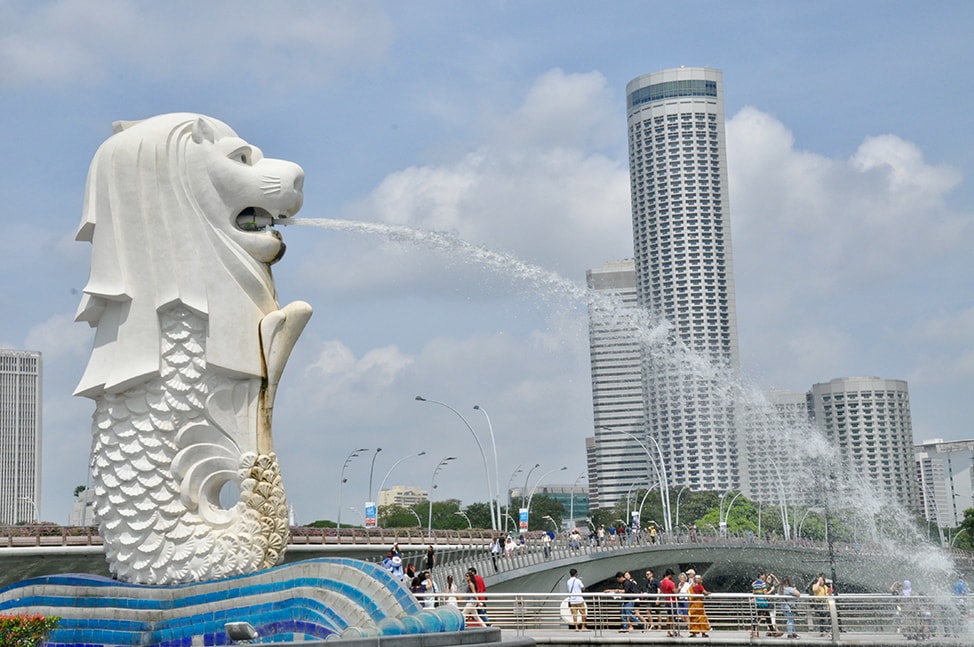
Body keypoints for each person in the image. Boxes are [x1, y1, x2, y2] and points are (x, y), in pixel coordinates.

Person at [751, 571, 782, 638]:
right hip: (763, 603)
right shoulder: (763, 584)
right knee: (766, 617)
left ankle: (754, 632)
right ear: (761, 576)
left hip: (758, 602)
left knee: (759, 617)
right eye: (764, 575)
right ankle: (773, 632)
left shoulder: (754, 584)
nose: (765, 577)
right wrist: (771, 590)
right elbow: (765, 594)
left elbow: (754, 593)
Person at [687, 573, 711, 637]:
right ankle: (703, 633)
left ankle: (694, 633)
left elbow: (690, 595)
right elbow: (704, 592)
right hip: (699, 603)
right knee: (702, 618)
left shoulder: (691, 586)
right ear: (698, 580)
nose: (702, 581)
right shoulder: (700, 586)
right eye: (700, 579)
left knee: (693, 618)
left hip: (693, 604)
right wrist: (708, 594)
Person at [659, 568, 680, 637]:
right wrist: (680, 588)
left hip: (667, 600)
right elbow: (675, 591)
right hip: (672, 601)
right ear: (670, 575)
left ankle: (668, 632)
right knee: (674, 617)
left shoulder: (662, 582)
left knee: (668, 616)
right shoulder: (671, 583)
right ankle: (675, 631)